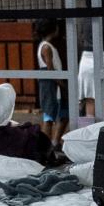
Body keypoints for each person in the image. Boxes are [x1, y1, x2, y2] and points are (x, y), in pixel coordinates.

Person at [35, 18, 69, 146]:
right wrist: (62, 84)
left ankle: (54, 142)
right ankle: (46, 145)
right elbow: (50, 69)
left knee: (62, 113)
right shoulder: (46, 47)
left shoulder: (46, 45)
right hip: (50, 84)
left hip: (53, 83)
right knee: (49, 116)